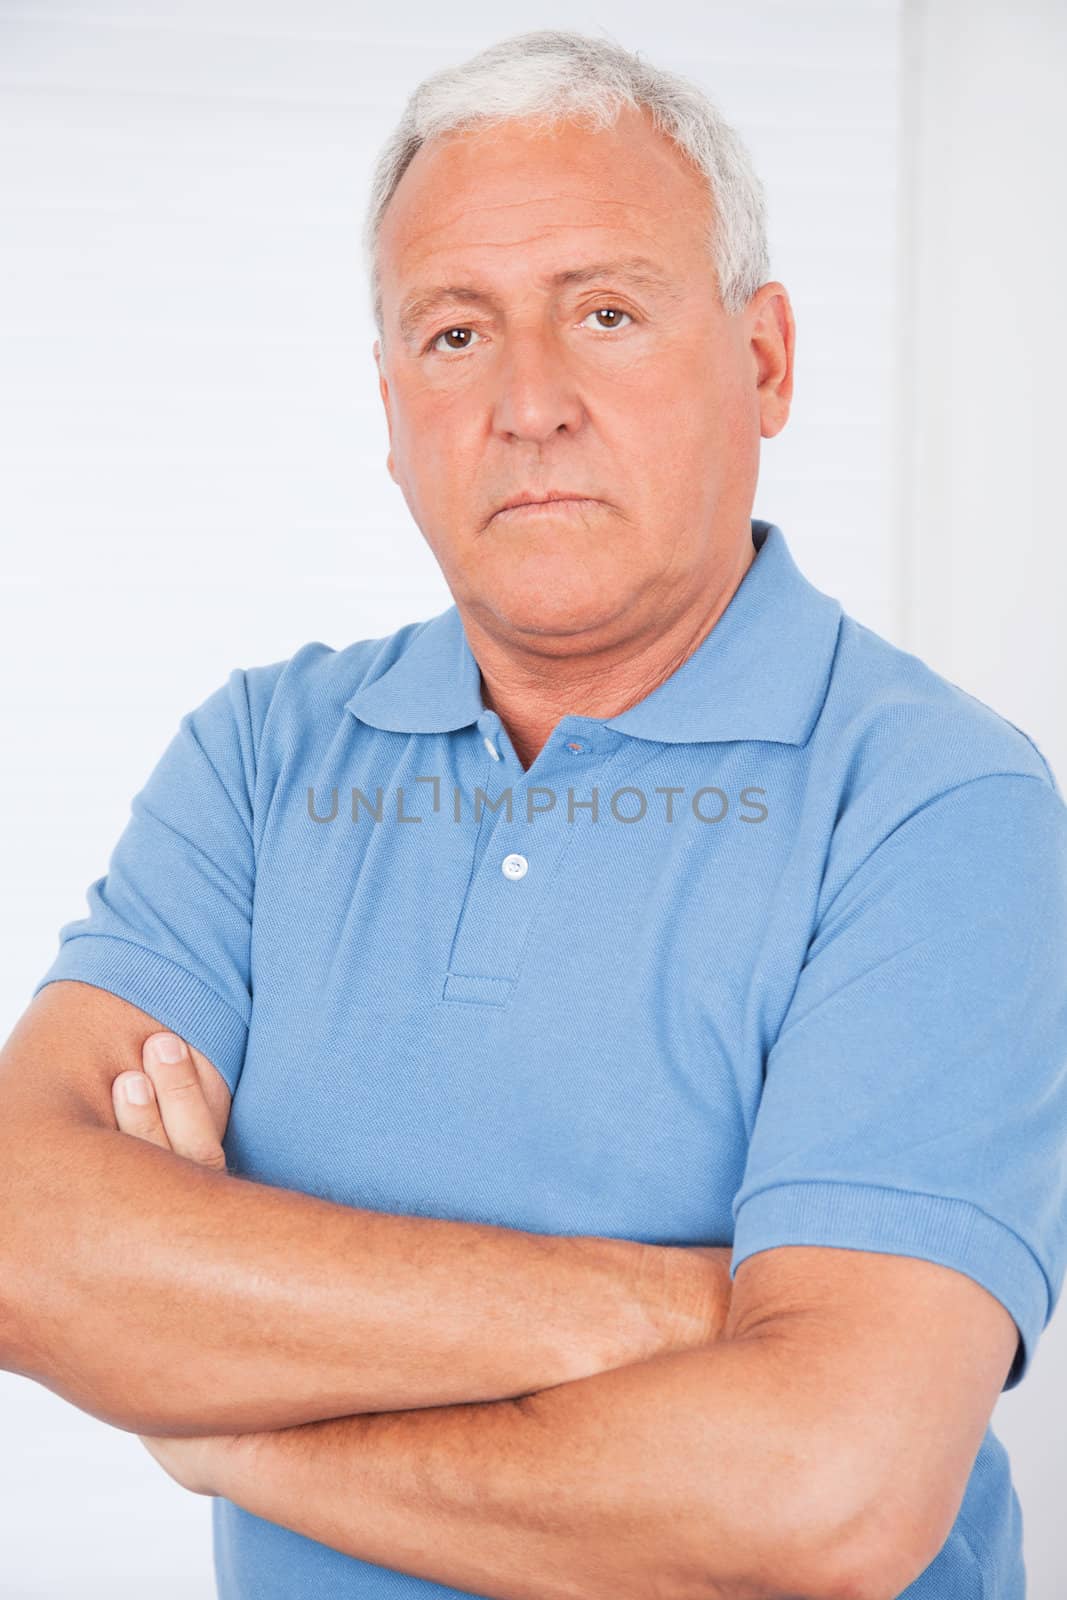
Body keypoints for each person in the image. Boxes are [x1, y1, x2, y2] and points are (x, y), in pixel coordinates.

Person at [3, 27, 1066, 1600]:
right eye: (453, 335)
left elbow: (826, 1495)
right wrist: (684, 1315)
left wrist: (232, 1422)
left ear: (764, 361)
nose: (528, 403)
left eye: (608, 313)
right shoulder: (258, 756)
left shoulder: (936, 807)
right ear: (388, 412)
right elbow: (29, 1244)